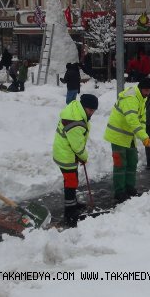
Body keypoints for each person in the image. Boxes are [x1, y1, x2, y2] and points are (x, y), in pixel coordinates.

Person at [104, 78, 150, 203]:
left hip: (129, 136)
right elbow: (132, 120)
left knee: (132, 161)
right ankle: (119, 192)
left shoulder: (142, 99)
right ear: (141, 88)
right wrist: (143, 136)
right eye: (146, 90)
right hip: (118, 135)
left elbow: (142, 120)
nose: (147, 93)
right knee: (120, 164)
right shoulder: (131, 98)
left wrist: (144, 136)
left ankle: (129, 188)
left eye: (149, 91)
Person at [52, 94, 98, 227]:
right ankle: (69, 211)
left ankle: (73, 203)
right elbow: (77, 146)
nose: (92, 114)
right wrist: (84, 157)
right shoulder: (76, 121)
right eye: (90, 110)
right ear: (84, 107)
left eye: (93, 111)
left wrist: (79, 156)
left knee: (72, 180)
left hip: (66, 151)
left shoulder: (76, 110)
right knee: (71, 182)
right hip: (65, 154)